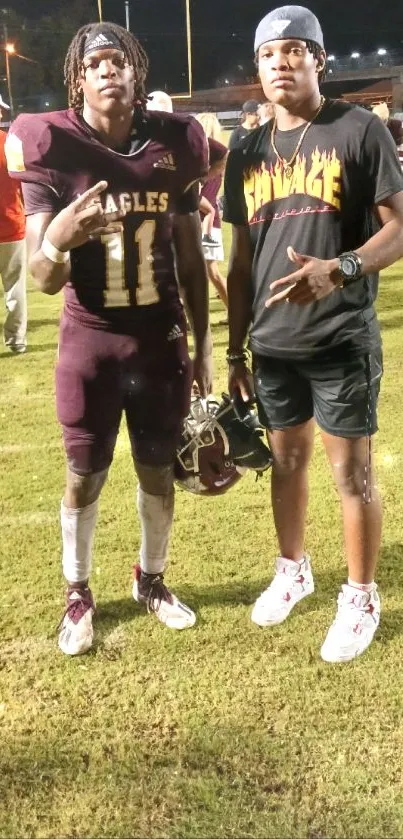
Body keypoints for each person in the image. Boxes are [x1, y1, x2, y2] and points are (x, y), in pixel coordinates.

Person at [6, 21, 213, 655]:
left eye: (117, 59)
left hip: (159, 342)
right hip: (89, 342)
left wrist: (205, 347)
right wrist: (62, 238)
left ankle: (151, 581)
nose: (106, 69)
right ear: (78, 77)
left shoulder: (177, 142)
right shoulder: (50, 143)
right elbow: (41, 276)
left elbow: (188, 259)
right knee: (83, 475)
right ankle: (79, 591)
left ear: (136, 72)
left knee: (157, 472)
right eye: (93, 62)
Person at [223, 4, 403, 662]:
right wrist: (232, 348)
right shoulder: (244, 148)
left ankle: (359, 593)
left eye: (295, 50)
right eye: (270, 53)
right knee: (285, 463)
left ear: (318, 60)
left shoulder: (357, 129)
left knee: (349, 474)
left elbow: (398, 225)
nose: (281, 61)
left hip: (338, 336)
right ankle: (292, 568)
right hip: (272, 343)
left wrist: (342, 268)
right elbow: (238, 261)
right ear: (258, 67)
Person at [0, 97, 27, 354]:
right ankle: (16, 340)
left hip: (12, 225)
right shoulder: (11, 143)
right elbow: (23, 183)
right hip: (11, 225)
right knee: (15, 286)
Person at [196, 113, 228, 308]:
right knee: (212, 274)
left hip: (204, 220)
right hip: (210, 222)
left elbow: (201, 196)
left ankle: (235, 312)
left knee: (212, 273)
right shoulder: (218, 161)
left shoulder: (203, 160)